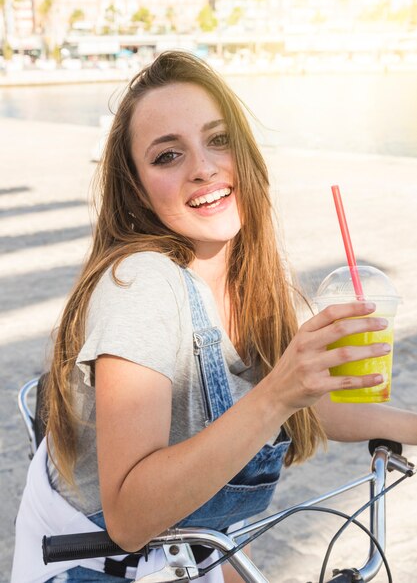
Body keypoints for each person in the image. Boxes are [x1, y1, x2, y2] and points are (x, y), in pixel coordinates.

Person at [12, 50, 417, 583]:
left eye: (218, 140)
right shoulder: (142, 285)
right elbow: (131, 519)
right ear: (136, 188)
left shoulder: (246, 284)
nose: (203, 167)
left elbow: (304, 409)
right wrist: (277, 392)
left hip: (191, 553)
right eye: (167, 156)